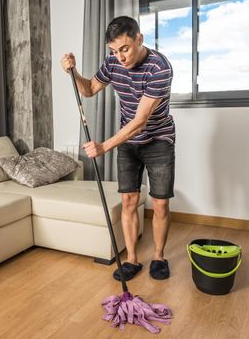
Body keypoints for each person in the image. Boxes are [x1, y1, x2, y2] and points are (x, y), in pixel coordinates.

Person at [60, 16, 175, 281]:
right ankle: (132, 260)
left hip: (158, 140)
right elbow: (88, 89)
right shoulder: (113, 63)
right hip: (128, 142)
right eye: (114, 51)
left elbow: (140, 120)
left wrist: (104, 146)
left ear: (139, 39)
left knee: (159, 203)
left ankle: (159, 257)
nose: (120, 57)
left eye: (124, 49)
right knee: (128, 200)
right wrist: (73, 72)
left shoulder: (159, 68)